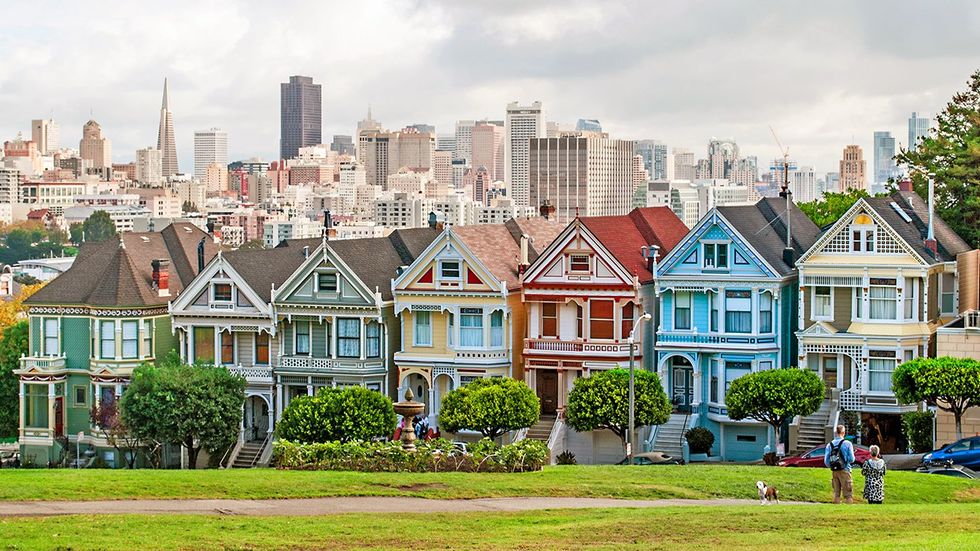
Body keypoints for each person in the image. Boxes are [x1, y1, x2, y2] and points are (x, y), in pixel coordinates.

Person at [824, 424, 855, 504]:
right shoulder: (847, 443)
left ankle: (835, 511)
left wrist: (832, 465)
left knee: (836, 494)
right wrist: (845, 461)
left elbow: (826, 461)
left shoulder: (829, 445)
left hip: (834, 471)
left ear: (835, 433)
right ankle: (848, 512)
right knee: (848, 494)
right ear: (843, 433)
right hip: (845, 469)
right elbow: (851, 459)